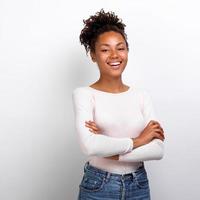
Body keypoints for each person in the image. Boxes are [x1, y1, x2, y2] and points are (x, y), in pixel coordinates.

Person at [72, 9, 165, 200]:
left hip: (138, 184)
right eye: (105, 49)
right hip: (99, 185)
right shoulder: (84, 94)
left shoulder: (141, 96)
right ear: (93, 55)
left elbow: (157, 149)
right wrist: (139, 141)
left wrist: (110, 151)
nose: (114, 55)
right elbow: (89, 146)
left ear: (127, 51)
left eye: (120, 48)